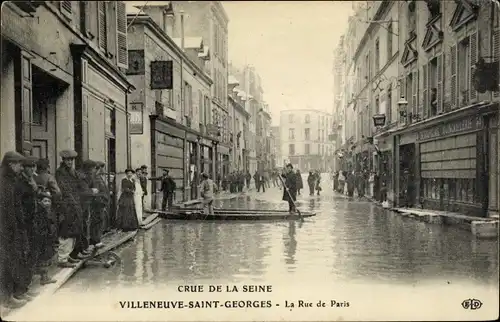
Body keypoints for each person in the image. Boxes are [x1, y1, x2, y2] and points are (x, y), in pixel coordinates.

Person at [0, 151, 28, 308]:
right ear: (11, 164)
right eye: (20, 165)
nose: (22, 168)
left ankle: (10, 296)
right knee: (6, 263)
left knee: (11, 262)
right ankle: (6, 299)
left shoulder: (11, 180)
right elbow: (7, 210)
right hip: (5, 230)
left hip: (11, 229)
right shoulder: (4, 182)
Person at [15, 155, 40, 302]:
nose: (32, 169)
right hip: (24, 224)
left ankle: (25, 288)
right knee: (24, 256)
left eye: (34, 167)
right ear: (24, 168)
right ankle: (19, 291)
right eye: (29, 167)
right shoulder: (19, 183)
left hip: (32, 223)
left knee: (32, 255)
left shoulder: (31, 181)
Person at [55, 149, 86, 267]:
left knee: (74, 230)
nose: (70, 162)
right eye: (68, 160)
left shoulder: (72, 172)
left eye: (71, 160)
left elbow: (80, 181)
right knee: (66, 231)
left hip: (74, 204)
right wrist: (72, 202)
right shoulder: (60, 173)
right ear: (63, 160)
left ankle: (67, 255)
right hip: (67, 205)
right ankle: (62, 259)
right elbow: (64, 189)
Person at [32, 191, 57, 285]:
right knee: (43, 258)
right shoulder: (40, 212)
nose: (47, 203)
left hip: (47, 238)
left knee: (46, 258)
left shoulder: (47, 211)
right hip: (42, 238)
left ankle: (45, 277)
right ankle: (44, 278)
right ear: (40, 202)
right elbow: (40, 227)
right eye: (45, 201)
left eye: (49, 201)